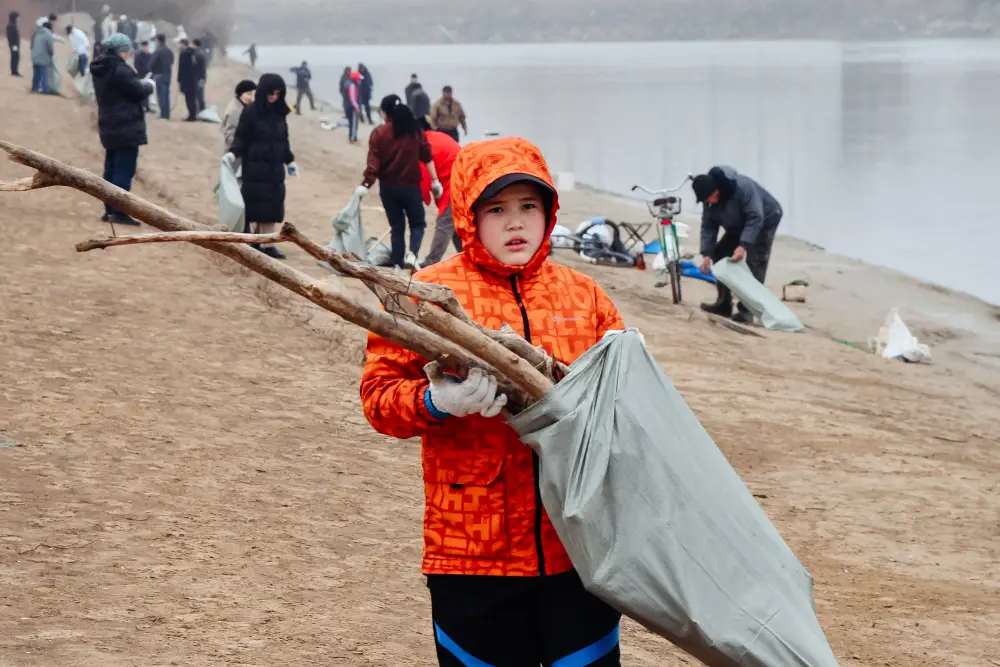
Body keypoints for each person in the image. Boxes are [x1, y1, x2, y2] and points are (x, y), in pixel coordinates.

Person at [360, 136, 626, 667]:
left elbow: (627, 403)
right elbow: (379, 399)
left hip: (576, 552)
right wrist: (438, 401)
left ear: (549, 212)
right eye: (497, 209)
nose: (515, 223)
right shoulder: (428, 294)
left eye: (529, 206)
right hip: (470, 559)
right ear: (467, 214)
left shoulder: (585, 296)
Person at [358, 94, 440, 270]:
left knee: (397, 226)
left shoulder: (379, 133)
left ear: (385, 113)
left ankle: (397, 263)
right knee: (418, 223)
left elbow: (373, 164)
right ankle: (412, 254)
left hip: (388, 189)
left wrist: (365, 185)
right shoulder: (415, 131)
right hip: (411, 188)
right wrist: (435, 181)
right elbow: (427, 156)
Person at [693, 165, 783, 324]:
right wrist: (706, 254)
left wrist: (743, 245)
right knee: (719, 253)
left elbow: (756, 217)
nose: (709, 202)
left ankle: (747, 311)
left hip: (765, 219)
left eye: (711, 198)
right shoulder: (709, 201)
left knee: (755, 262)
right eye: (706, 201)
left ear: (717, 190)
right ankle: (723, 304)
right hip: (738, 223)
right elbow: (708, 226)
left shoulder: (743, 188)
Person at [224, 73, 298, 260]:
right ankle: (259, 241)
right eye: (271, 93)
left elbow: (284, 139)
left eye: (278, 94)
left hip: (274, 167)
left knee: (273, 206)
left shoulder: (280, 113)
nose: (274, 97)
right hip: (255, 165)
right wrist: (233, 153)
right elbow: (241, 137)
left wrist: (290, 160)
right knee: (256, 205)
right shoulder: (251, 111)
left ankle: (267, 243)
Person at [91, 33, 155, 226]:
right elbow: (138, 91)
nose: (128, 54)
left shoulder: (101, 68)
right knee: (123, 170)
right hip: (125, 125)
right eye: (127, 50)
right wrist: (149, 85)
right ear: (121, 51)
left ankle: (109, 209)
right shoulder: (119, 70)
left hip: (109, 124)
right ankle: (118, 211)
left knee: (110, 167)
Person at [418, 125, 462, 266]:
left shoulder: (423, 147)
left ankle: (431, 262)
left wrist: (417, 200)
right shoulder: (433, 136)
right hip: (463, 180)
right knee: (457, 226)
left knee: (445, 224)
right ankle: (469, 259)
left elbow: (423, 180)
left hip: (456, 185)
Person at [222, 78, 255, 152]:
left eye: (253, 94)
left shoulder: (244, 106)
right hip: (235, 155)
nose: (252, 97)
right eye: (249, 94)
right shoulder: (235, 111)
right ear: (241, 94)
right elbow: (229, 137)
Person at [148, 33, 173, 119]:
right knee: (166, 95)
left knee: (161, 95)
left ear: (158, 41)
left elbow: (151, 63)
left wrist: (151, 70)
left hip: (159, 75)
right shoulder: (169, 50)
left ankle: (163, 114)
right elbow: (172, 61)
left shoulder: (157, 51)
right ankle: (167, 114)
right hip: (168, 74)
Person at [29, 20, 53, 94]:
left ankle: (34, 88)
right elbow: (50, 47)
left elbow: (31, 45)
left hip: (34, 56)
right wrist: (51, 54)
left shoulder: (36, 32)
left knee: (36, 74)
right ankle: (44, 90)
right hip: (43, 58)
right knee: (44, 74)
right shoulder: (48, 34)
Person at [177, 38, 197, 120]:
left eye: (180, 44)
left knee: (189, 98)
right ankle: (193, 114)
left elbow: (181, 68)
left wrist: (179, 79)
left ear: (183, 44)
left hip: (186, 79)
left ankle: (191, 116)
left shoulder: (184, 54)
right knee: (192, 97)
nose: (179, 46)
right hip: (193, 79)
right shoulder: (193, 53)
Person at [344, 71, 361, 143]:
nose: (359, 80)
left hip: (347, 106)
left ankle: (352, 136)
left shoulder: (347, 83)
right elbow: (352, 99)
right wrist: (357, 107)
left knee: (351, 123)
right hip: (351, 107)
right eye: (358, 79)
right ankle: (352, 138)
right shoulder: (352, 86)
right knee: (353, 123)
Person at [191, 38, 207, 113]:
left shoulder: (196, 54)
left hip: (197, 77)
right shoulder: (202, 53)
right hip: (202, 77)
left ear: (194, 44)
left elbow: (194, 65)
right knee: (200, 96)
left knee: (198, 96)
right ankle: (202, 111)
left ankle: (201, 111)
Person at [7, 11, 20, 77]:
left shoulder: (13, 25)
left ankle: (15, 70)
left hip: (15, 45)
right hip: (13, 45)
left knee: (16, 57)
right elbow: (11, 37)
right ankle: (14, 71)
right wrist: (13, 45)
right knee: (14, 57)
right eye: (17, 17)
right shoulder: (10, 25)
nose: (18, 19)